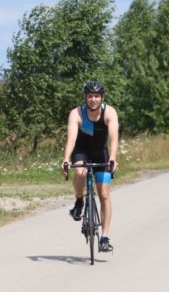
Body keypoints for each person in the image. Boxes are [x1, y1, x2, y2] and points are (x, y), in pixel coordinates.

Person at [61, 81, 119, 253]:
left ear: (102, 97)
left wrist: (113, 158)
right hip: (81, 151)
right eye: (90, 96)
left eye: (96, 96)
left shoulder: (109, 112)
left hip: (101, 152)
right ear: (85, 97)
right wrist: (65, 159)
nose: (93, 99)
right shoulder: (76, 113)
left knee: (104, 195)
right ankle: (79, 201)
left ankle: (104, 237)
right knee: (79, 171)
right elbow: (71, 139)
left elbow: (113, 138)